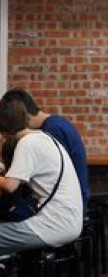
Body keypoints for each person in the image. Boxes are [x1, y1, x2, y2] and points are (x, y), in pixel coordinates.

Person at [0, 98, 83, 253]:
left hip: (54, 224)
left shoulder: (26, 144)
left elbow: (10, 186)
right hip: (67, 219)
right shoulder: (42, 137)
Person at [0, 88, 90, 210]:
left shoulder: (51, 130)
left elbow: (13, 184)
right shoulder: (54, 124)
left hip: (68, 204)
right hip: (67, 201)